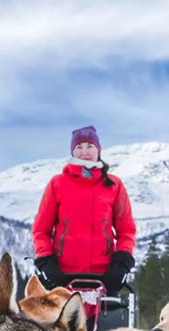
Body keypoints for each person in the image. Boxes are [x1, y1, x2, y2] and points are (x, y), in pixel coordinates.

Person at [32, 125, 136, 296]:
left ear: (98, 150)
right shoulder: (57, 184)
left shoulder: (114, 185)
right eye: (79, 147)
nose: (84, 151)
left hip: (104, 276)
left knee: (106, 322)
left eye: (89, 146)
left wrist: (122, 263)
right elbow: (41, 229)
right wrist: (45, 260)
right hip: (63, 276)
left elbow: (127, 229)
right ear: (72, 151)